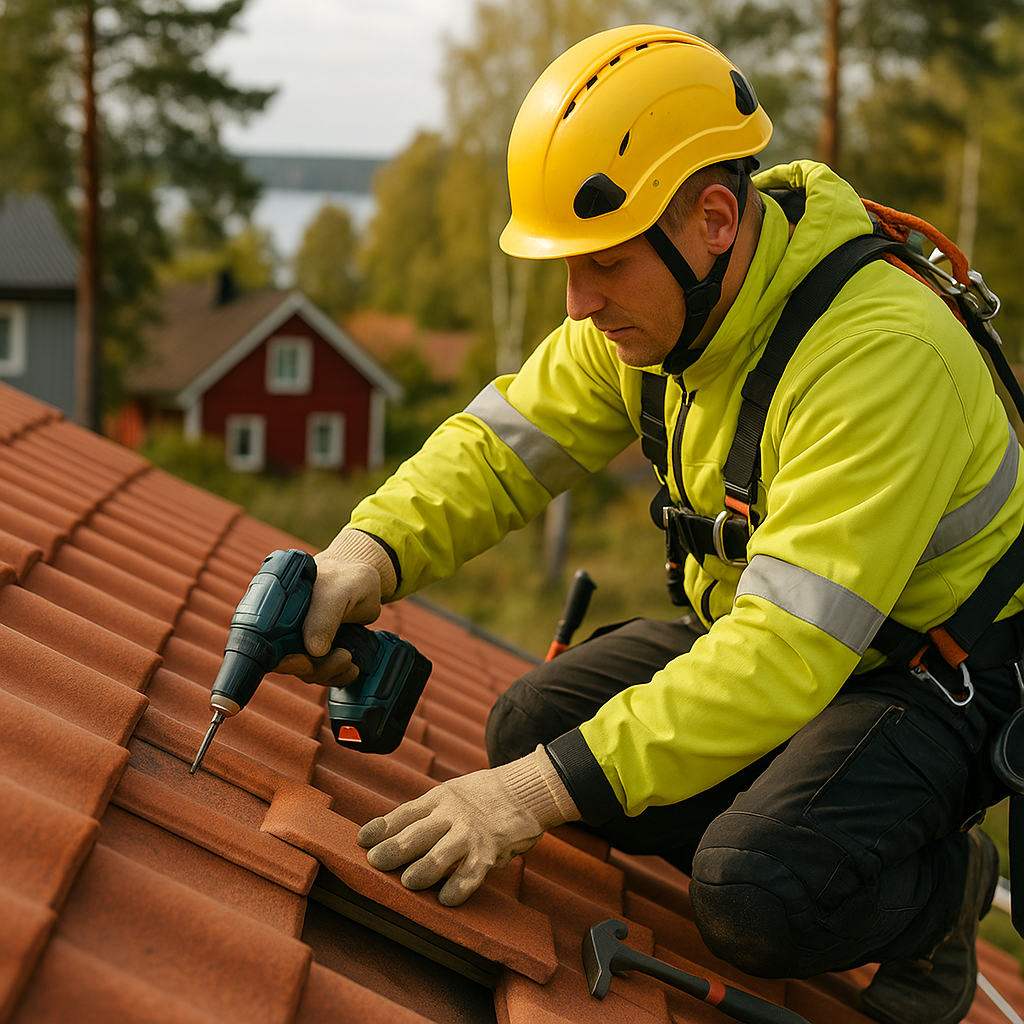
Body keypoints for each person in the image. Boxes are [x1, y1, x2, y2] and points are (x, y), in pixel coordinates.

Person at [276, 25, 1024, 1024]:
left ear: (714, 218)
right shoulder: (660, 310)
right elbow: (504, 445)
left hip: (928, 679)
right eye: (566, 269)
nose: (578, 305)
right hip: (784, 644)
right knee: (529, 731)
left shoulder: (880, 357)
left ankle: (937, 897)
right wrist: (363, 554)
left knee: (751, 890)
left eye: (604, 266)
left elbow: (781, 655)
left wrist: (524, 801)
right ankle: (796, 798)